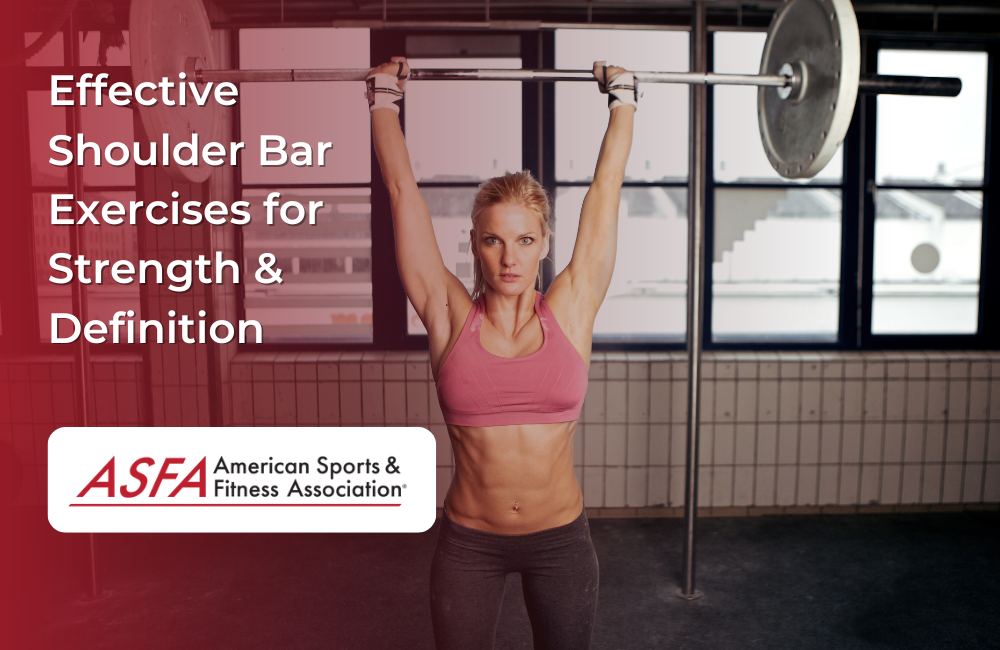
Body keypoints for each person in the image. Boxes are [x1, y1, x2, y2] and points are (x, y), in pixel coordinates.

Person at [367, 56, 636, 650]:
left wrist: (623, 100)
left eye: (523, 240)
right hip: (470, 543)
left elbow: (606, 192)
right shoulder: (448, 314)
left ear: (544, 244)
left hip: (561, 540)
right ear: (475, 245)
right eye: (493, 240)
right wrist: (383, 98)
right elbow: (399, 192)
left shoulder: (571, 309)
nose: (508, 258)